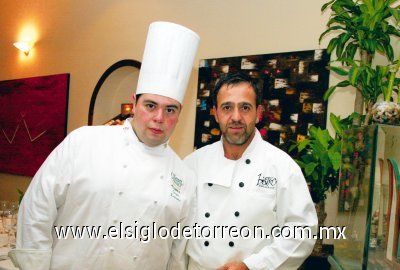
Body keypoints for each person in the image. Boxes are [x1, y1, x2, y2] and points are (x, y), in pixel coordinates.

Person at [9, 21, 200, 270]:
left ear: (180, 113)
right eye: (150, 105)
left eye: (170, 109)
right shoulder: (84, 142)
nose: (159, 118)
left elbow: (177, 251)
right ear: (134, 102)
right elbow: (37, 207)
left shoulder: (184, 177)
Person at [184, 72, 318, 270]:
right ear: (215, 113)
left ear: (259, 112)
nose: (236, 117)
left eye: (245, 107)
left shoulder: (282, 167)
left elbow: (301, 231)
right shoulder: (192, 164)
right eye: (227, 107)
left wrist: (252, 266)